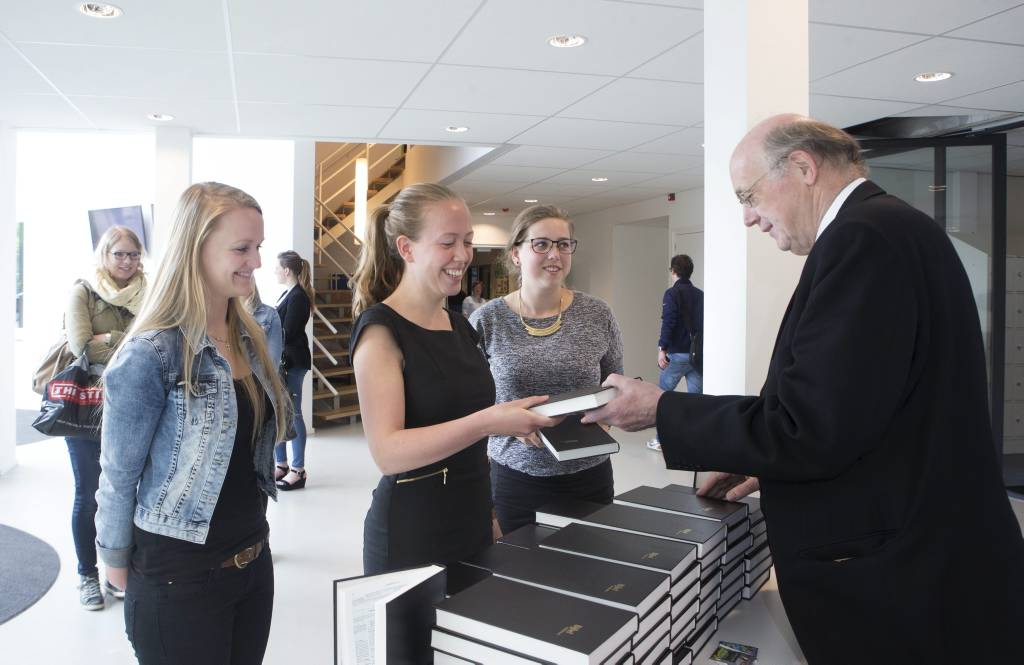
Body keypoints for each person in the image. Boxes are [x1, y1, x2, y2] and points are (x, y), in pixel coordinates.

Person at [583, 115, 1024, 663]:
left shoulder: (863, 241)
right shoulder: (890, 227)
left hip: (902, 580)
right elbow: (861, 411)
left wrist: (662, 408)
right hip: (933, 556)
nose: (747, 217)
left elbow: (810, 426)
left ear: (802, 167)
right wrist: (758, 462)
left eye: (748, 195)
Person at [95, 182, 292, 665]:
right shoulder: (152, 353)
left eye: (259, 247)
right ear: (196, 249)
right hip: (177, 579)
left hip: (252, 561)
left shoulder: (252, 337)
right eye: (242, 248)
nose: (257, 261)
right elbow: (118, 475)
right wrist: (114, 559)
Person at [350, 182, 556, 574]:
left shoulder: (460, 326)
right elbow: (388, 453)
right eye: (448, 243)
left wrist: (490, 514)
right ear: (406, 248)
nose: (462, 255)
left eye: (468, 241)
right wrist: (488, 422)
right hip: (411, 535)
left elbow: (466, 433)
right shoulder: (380, 331)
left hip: (473, 520)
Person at [470, 204, 624, 535]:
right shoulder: (487, 319)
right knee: (521, 564)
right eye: (541, 244)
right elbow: (470, 404)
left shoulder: (597, 313)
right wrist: (509, 424)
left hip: (589, 473)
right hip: (516, 477)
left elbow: (614, 386)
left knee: (592, 562)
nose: (554, 254)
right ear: (516, 254)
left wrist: (604, 421)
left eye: (563, 244)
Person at [64, 225, 147, 610]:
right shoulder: (84, 291)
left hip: (136, 401)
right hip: (89, 405)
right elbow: (81, 346)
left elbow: (158, 340)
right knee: (88, 494)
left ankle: (119, 573)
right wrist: (124, 339)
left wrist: (109, 340)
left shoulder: (149, 291)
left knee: (130, 491)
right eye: (120, 254)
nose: (127, 261)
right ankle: (87, 574)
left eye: (133, 254)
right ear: (105, 255)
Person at [647, 254, 703, 452]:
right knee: (696, 401)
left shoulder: (671, 294)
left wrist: (662, 348)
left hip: (677, 354)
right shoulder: (700, 295)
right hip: (697, 356)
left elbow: (668, 322)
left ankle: (661, 440)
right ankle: (693, 440)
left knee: (662, 398)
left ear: (673, 271)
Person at [273, 250, 313, 490]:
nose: (275, 272)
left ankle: (298, 470)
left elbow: (287, 332)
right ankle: (282, 464)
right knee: (278, 413)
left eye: (277, 268)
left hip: (293, 363)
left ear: (287, 270)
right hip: (281, 361)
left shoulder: (298, 297)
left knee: (294, 414)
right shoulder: (287, 294)